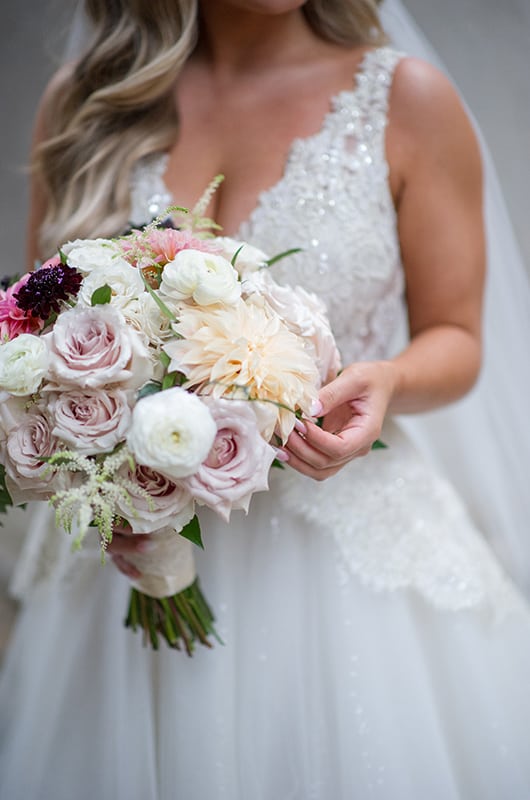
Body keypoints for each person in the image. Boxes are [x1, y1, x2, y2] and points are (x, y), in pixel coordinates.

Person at [1, 1, 530, 798]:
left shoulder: (406, 98)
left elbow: (457, 334)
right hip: (126, 559)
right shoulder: (87, 103)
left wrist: (385, 381)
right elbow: (31, 330)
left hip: (339, 564)